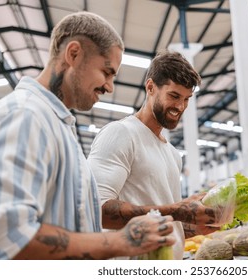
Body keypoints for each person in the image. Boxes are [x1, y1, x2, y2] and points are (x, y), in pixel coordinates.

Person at [0, 11, 175, 260]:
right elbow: (2, 234)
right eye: (106, 72)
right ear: (73, 54)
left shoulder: (56, 124)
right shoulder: (25, 116)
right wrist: (118, 241)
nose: (109, 86)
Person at [87, 50, 220, 260]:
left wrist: (196, 227)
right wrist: (178, 210)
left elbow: (163, 219)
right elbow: (96, 209)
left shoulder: (173, 153)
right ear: (150, 87)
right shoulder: (121, 133)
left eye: (186, 99)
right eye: (174, 96)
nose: (180, 106)